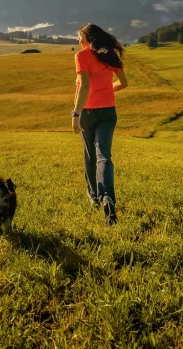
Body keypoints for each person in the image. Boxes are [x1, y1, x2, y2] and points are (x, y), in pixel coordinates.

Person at [71, 23, 128, 225]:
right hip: (109, 113)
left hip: (88, 113)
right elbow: (124, 83)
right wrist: (106, 89)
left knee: (90, 156)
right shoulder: (110, 55)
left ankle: (94, 197)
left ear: (87, 38)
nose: (79, 41)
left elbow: (84, 87)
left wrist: (75, 114)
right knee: (104, 156)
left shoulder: (81, 56)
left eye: (80, 37)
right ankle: (108, 198)